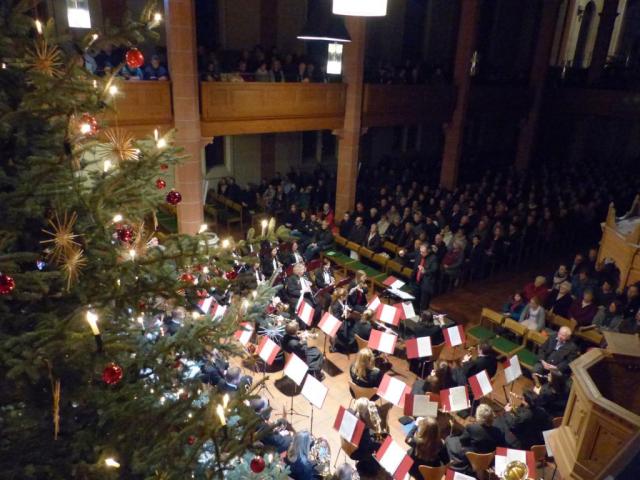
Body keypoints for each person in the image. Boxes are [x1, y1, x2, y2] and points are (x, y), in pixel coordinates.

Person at [446, 404, 506, 474]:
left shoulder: (471, 428)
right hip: (489, 461)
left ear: (478, 417)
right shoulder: (498, 431)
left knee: (449, 440)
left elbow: (462, 441)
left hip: (472, 460)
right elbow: (501, 448)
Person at [351, 398, 384, 476]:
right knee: (383, 443)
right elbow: (379, 441)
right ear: (365, 413)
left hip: (351, 448)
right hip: (360, 453)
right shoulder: (367, 432)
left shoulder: (352, 417)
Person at [412, 244, 439, 311]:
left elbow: (434, 270)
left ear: (428, 251)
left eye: (423, 252)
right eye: (420, 251)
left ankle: (422, 314)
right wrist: (403, 253)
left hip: (426, 283)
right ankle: (415, 311)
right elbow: (410, 255)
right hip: (417, 281)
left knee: (423, 303)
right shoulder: (420, 254)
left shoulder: (433, 258)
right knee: (415, 300)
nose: (421, 253)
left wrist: (425, 271)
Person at [331, 288, 355, 353]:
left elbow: (346, 305)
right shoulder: (336, 305)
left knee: (353, 322)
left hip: (344, 319)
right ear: (341, 297)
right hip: (339, 324)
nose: (346, 297)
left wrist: (348, 308)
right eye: (345, 296)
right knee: (350, 330)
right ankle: (343, 343)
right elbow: (337, 319)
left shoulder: (342, 301)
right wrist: (343, 314)